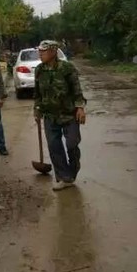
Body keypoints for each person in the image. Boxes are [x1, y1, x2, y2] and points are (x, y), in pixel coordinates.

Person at [34, 40, 86, 191]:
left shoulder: (67, 68)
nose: (40, 54)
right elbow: (37, 93)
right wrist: (37, 109)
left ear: (53, 52)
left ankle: (74, 167)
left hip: (69, 114)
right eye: (40, 51)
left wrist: (80, 108)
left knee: (72, 144)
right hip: (50, 115)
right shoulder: (39, 70)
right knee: (54, 146)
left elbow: (77, 90)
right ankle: (64, 177)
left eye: (43, 51)